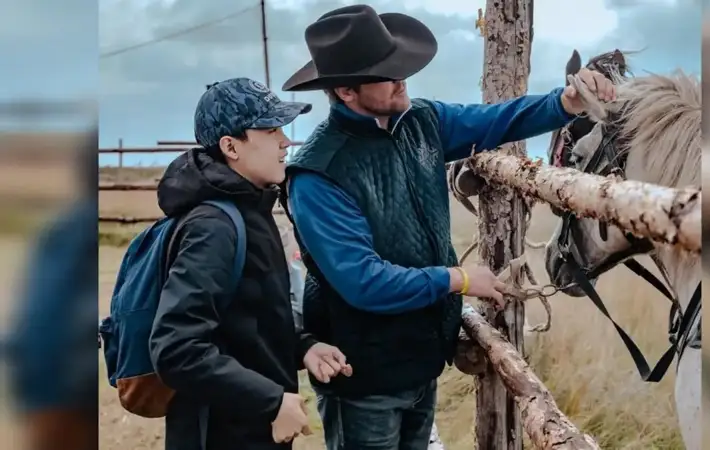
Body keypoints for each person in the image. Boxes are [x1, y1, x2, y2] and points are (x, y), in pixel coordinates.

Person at [279, 5, 616, 450]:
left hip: (420, 360)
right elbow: (361, 281)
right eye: (386, 73)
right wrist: (458, 279)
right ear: (345, 90)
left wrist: (564, 103)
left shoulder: (421, 121)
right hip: (363, 374)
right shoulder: (318, 173)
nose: (403, 78)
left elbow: (499, 119)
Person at [148, 77, 352, 450]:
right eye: (271, 129)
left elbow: (248, 323)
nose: (285, 141)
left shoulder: (250, 211)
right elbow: (176, 348)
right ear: (231, 146)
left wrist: (303, 347)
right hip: (220, 435)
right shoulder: (213, 228)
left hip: (254, 430)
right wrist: (271, 400)